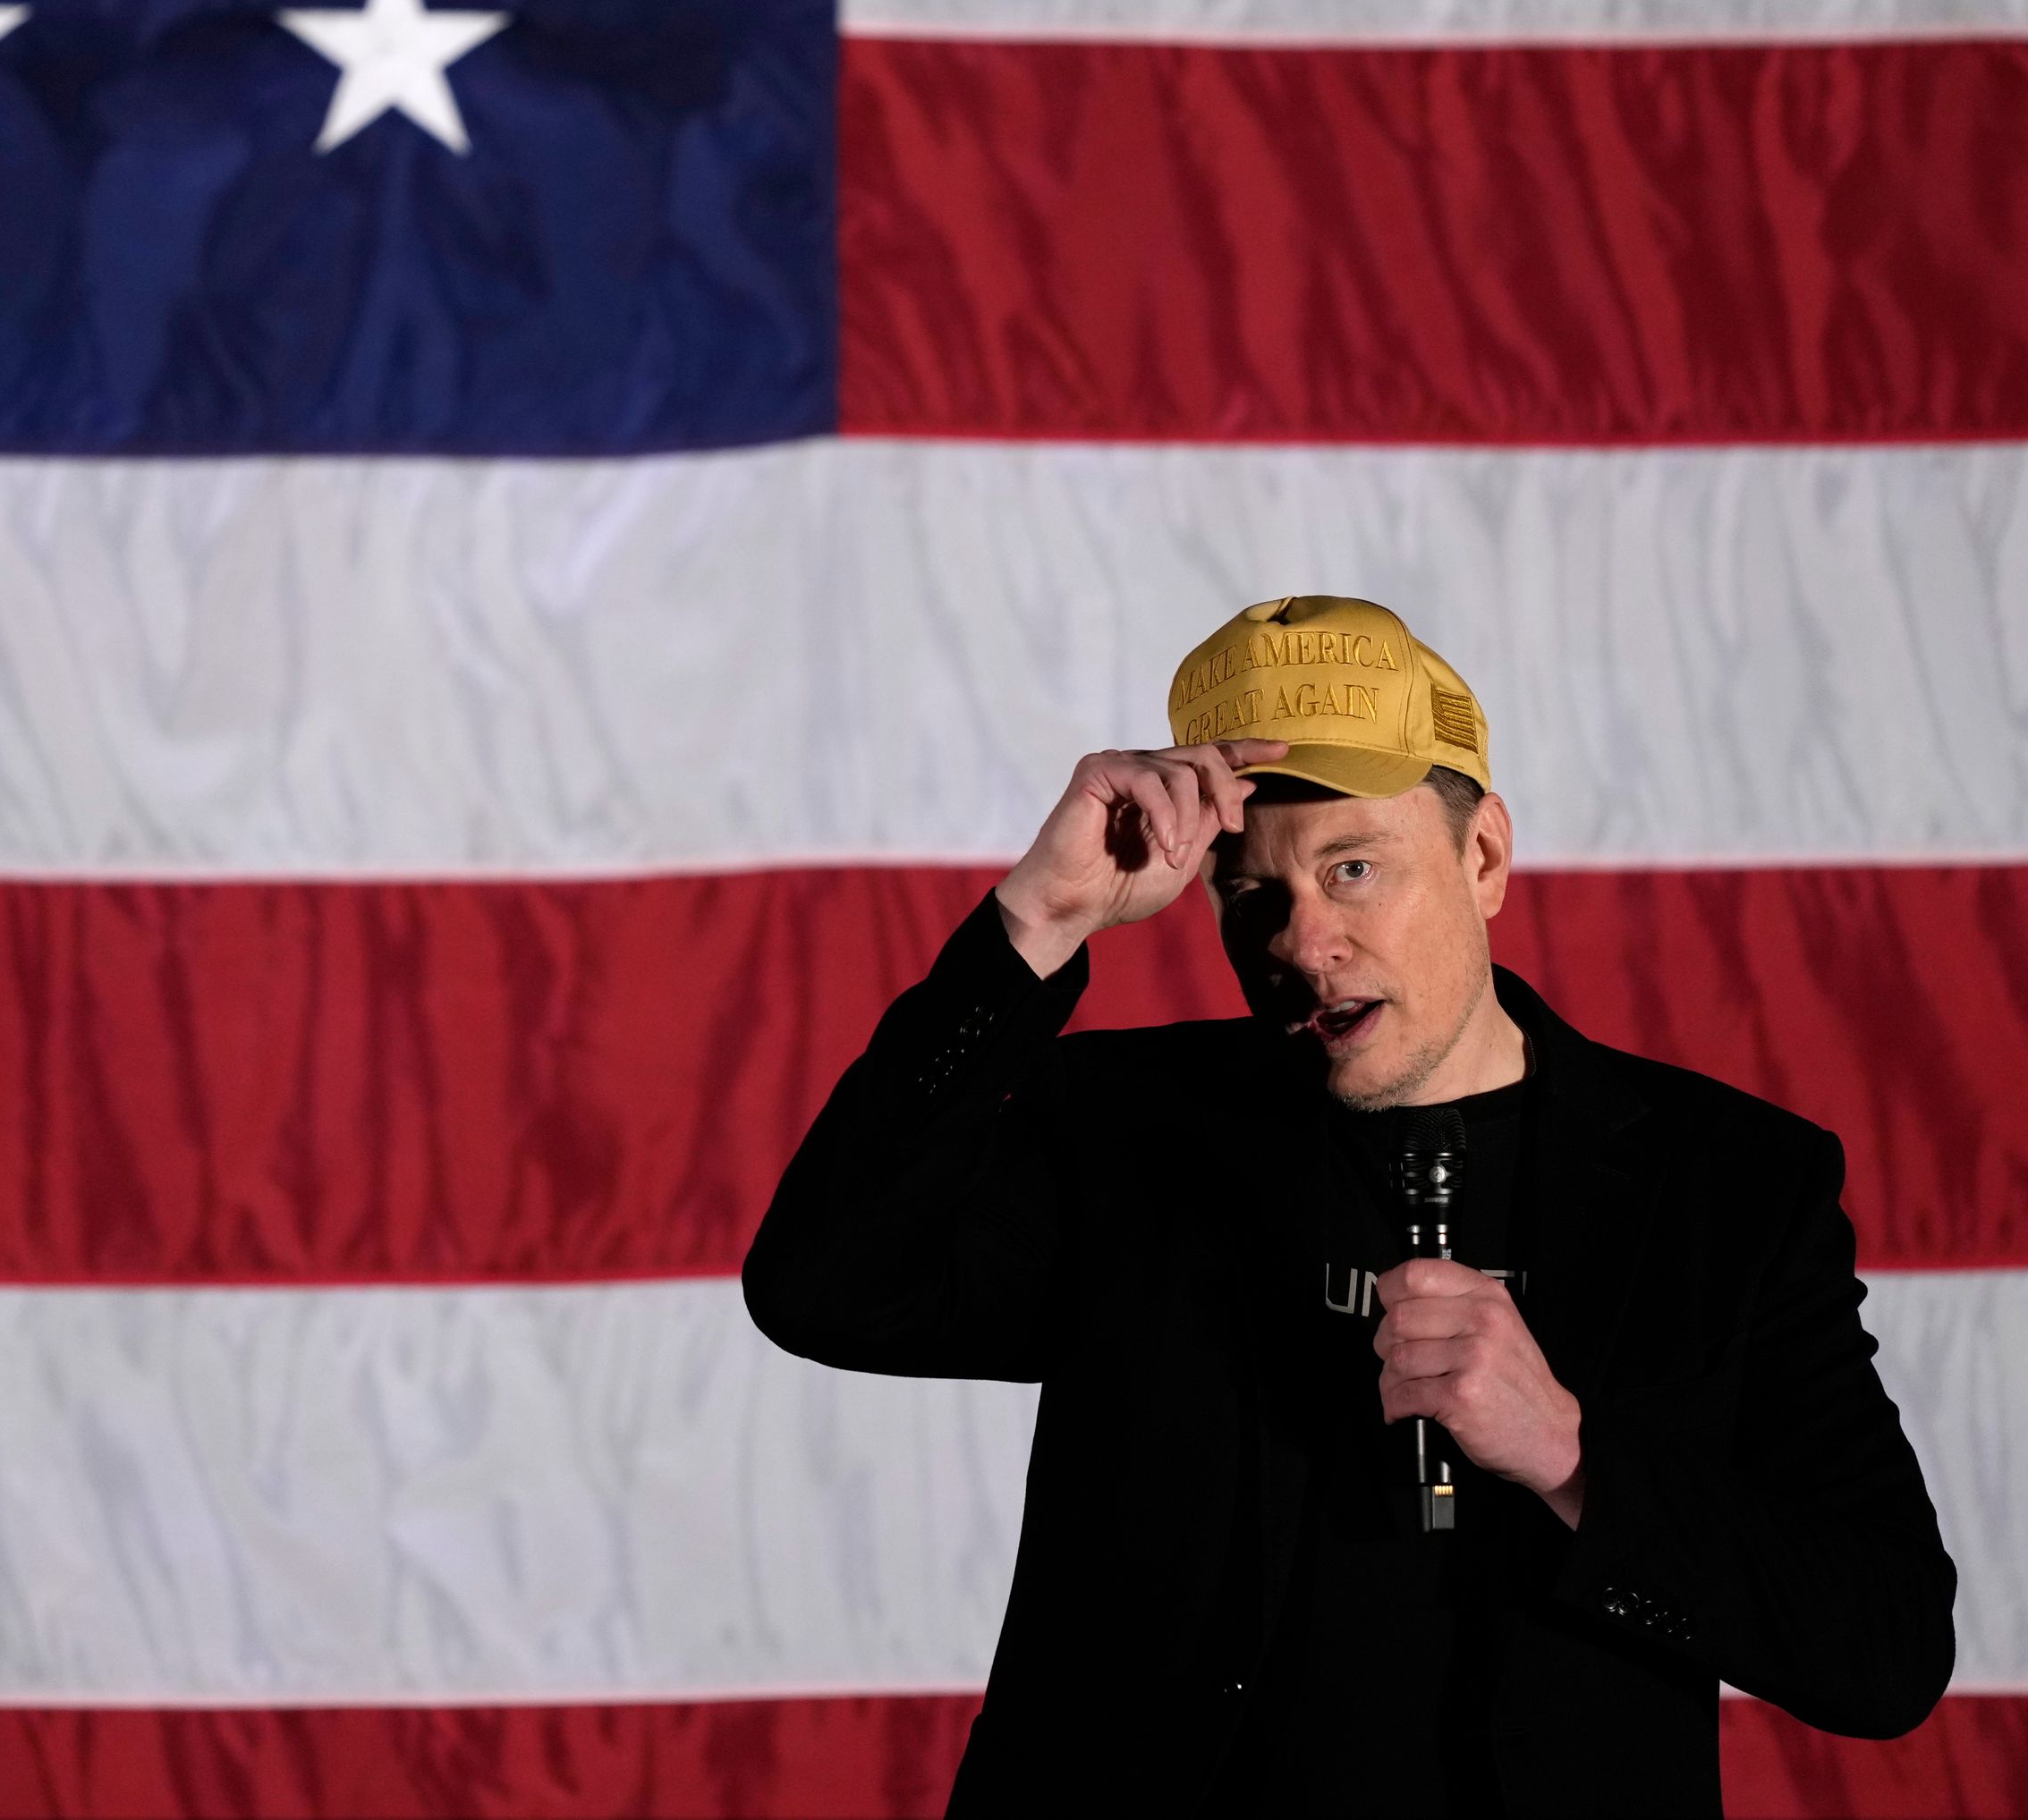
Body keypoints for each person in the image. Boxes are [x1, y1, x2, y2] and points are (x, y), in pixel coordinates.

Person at [743, 595, 1956, 1816]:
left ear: (1481, 858)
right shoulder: (1119, 1129)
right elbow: (820, 1288)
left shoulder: (1727, 1186)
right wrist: (1034, 926)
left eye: (1354, 867)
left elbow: (1886, 1645)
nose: (1303, 939)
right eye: (1250, 889)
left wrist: (1576, 1460)